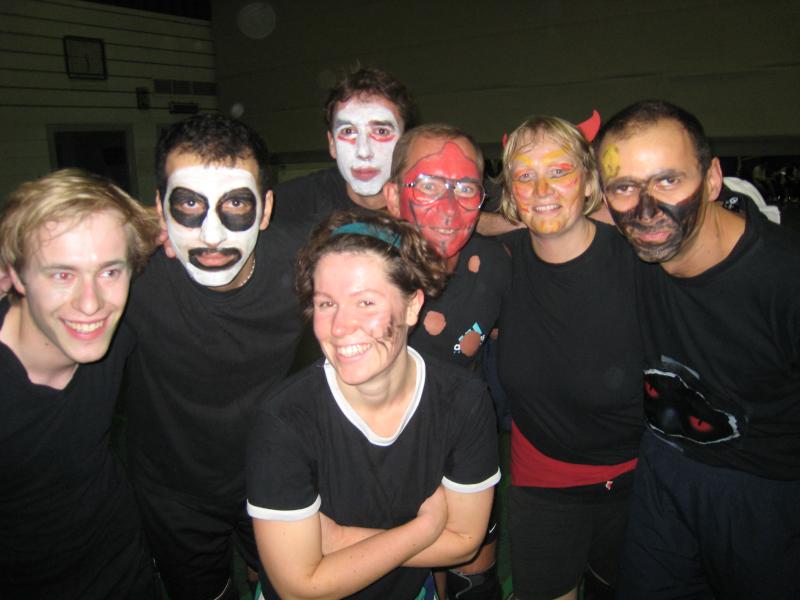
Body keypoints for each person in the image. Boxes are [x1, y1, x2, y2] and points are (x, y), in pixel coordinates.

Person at [595, 100, 800, 599]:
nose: (645, 210)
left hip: (764, 488)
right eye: (625, 187)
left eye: (668, 180)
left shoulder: (783, 279)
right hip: (664, 466)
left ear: (712, 180)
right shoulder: (638, 246)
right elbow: (546, 215)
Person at [246, 211, 500, 599]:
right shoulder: (285, 421)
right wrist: (425, 529)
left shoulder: (462, 402)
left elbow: (465, 542)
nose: (340, 327)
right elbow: (299, 588)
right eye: (326, 304)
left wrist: (340, 539)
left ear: (412, 306)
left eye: (365, 302)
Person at [122, 114, 306, 600]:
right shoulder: (126, 276)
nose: (211, 235)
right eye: (188, 204)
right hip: (171, 493)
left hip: (274, 478)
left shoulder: (305, 267)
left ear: (266, 209)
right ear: (159, 210)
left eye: (236, 204)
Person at [496, 116, 644, 600]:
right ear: (510, 191)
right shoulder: (498, 264)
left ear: (588, 181)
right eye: (525, 175)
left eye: (559, 171)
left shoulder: (640, 259)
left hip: (641, 475)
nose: (541, 189)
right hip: (544, 480)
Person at [0, 169, 159, 598]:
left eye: (109, 272)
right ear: (16, 275)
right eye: (61, 275)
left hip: (126, 569)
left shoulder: (122, 325)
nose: (91, 305)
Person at [384, 123, 510, 599]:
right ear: (393, 196)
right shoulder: (360, 268)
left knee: (473, 585)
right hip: (382, 459)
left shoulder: (496, 264)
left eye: (465, 189)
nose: (449, 207)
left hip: (466, 451)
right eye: (429, 186)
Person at [274, 66, 416, 227]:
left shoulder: (429, 205)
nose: (364, 152)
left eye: (381, 131)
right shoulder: (287, 206)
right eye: (348, 131)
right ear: (332, 144)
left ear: (406, 143)